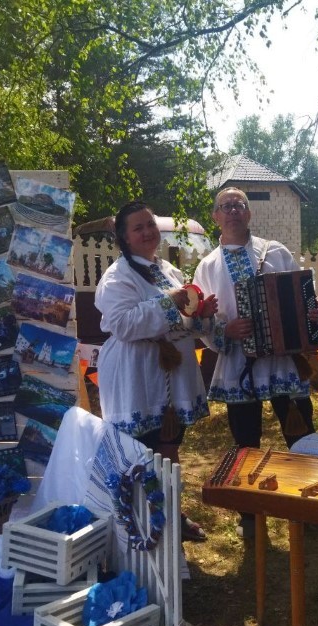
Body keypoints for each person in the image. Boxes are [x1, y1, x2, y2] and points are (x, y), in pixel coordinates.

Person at [192, 187, 318, 539]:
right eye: (226, 206)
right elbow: (200, 320)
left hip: (282, 362)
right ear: (216, 216)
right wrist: (225, 331)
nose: (233, 210)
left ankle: (311, 506)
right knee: (246, 439)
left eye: (240, 205)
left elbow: (303, 297)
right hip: (238, 364)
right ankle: (250, 515)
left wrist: (310, 315)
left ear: (249, 213)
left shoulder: (275, 252)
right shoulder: (207, 266)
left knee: (300, 433)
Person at [94, 200, 222, 542]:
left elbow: (182, 321)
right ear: (124, 237)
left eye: (150, 224)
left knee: (169, 448)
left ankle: (173, 516)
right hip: (137, 376)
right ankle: (143, 523)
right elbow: (123, 325)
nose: (148, 232)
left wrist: (199, 314)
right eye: (138, 228)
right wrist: (171, 302)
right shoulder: (116, 277)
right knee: (141, 453)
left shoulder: (167, 270)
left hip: (171, 373)